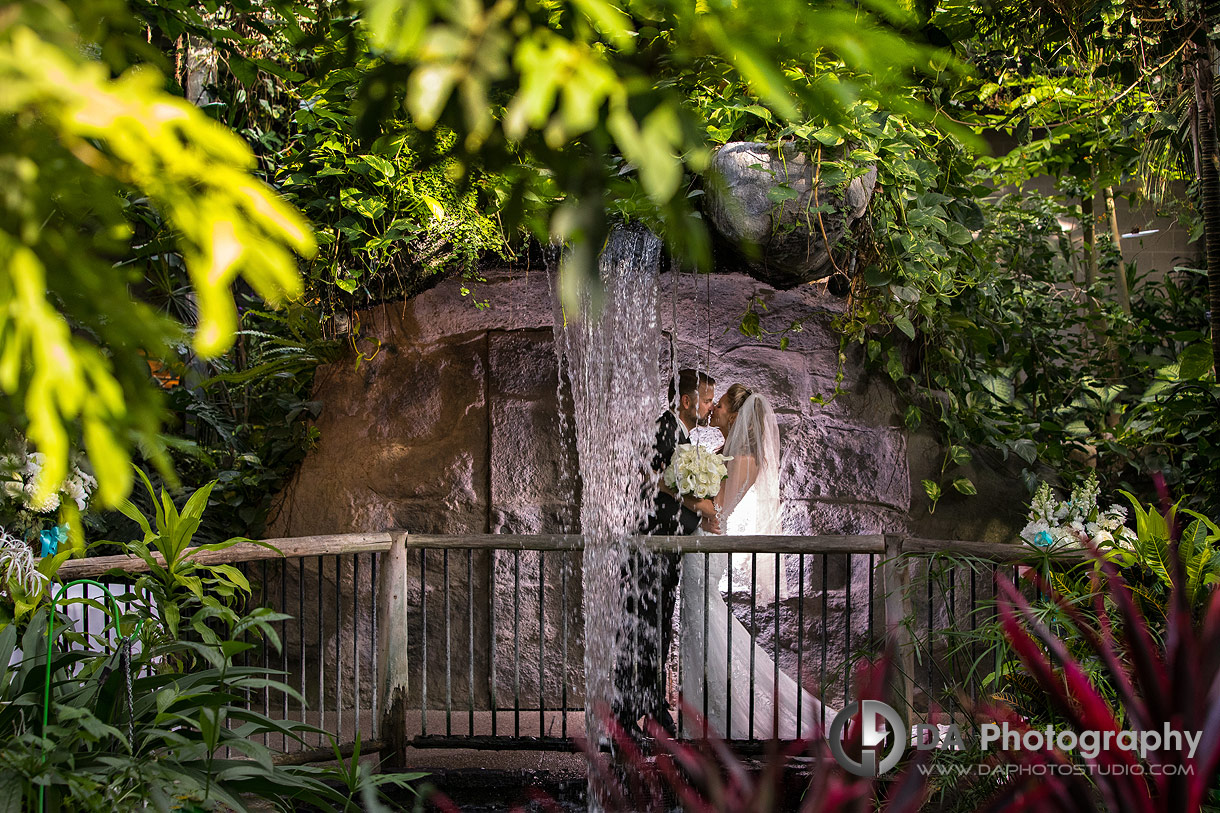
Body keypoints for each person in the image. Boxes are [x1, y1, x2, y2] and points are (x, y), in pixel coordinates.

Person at [679, 384, 826, 740]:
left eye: (720, 404)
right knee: (698, 627)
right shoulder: (726, 451)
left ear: (735, 414)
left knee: (703, 626)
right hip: (701, 543)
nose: (712, 409)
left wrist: (680, 494)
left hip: (706, 547)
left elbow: (717, 509)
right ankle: (706, 714)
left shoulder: (744, 459)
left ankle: (720, 719)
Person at [614, 368, 717, 740]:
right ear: (686, 401)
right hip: (651, 547)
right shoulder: (666, 427)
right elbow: (648, 475)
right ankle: (624, 719)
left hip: (666, 548)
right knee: (641, 632)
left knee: (655, 633)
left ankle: (653, 710)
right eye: (706, 399)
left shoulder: (683, 433)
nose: (710, 406)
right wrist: (695, 503)